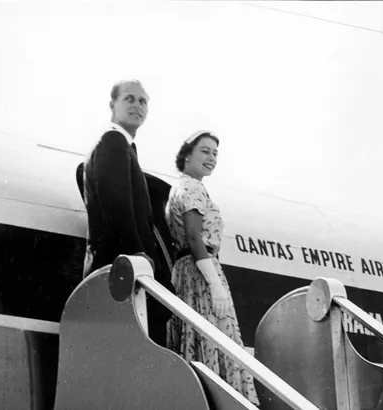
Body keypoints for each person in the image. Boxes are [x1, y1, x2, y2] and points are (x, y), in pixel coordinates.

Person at [165, 131, 259, 405]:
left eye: (215, 153)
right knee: (215, 338)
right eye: (204, 151)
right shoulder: (192, 187)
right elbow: (195, 238)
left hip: (187, 271)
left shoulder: (181, 187)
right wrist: (215, 284)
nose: (211, 158)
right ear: (187, 155)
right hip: (201, 272)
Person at [79, 79, 172, 346]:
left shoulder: (123, 145)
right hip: (123, 265)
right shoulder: (113, 140)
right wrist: (137, 252)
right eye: (129, 99)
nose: (137, 106)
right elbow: (116, 203)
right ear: (113, 105)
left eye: (143, 101)